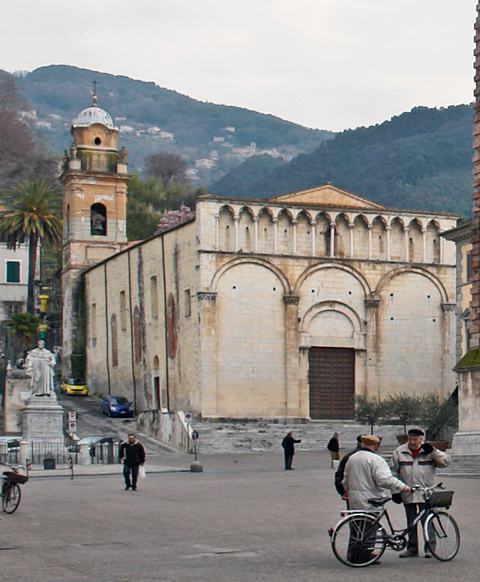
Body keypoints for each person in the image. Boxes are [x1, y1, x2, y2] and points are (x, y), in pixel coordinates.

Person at [390, 427, 451, 558]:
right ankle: (412, 548)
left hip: (426, 493)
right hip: (408, 491)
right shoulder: (399, 452)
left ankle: (430, 548)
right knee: (411, 522)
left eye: (415, 439)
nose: (412, 442)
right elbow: (393, 472)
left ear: (421, 439)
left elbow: (445, 462)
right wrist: (395, 491)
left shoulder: (428, 451)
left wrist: (434, 452)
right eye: (410, 439)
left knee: (428, 521)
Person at [342, 435, 409, 510]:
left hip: (354, 499)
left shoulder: (352, 458)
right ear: (375, 446)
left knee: (357, 520)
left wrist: (347, 491)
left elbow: (345, 479)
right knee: (370, 520)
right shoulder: (375, 459)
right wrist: (402, 486)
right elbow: (384, 479)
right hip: (370, 498)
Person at [334, 435, 363, 503]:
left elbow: (340, 474)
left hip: (351, 491)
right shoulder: (373, 457)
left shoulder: (349, 456)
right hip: (370, 493)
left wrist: (342, 491)